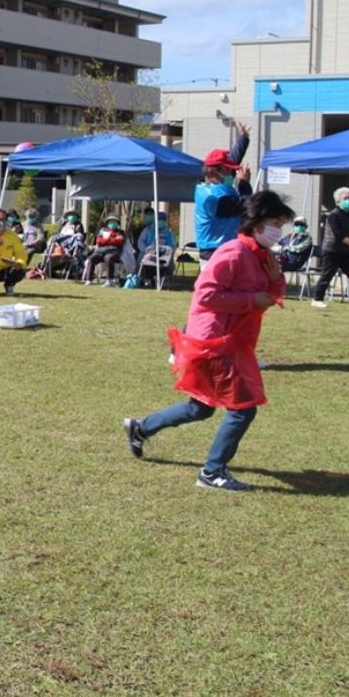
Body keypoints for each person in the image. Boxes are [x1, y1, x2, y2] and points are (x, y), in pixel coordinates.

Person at [122, 191, 294, 492]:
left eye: (280, 223)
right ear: (255, 224)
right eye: (274, 222)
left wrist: (275, 280)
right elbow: (206, 295)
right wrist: (251, 299)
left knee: (200, 407)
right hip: (214, 341)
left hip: (233, 340)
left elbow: (274, 292)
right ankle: (212, 472)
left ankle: (141, 427)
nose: (278, 230)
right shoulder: (234, 252)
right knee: (243, 408)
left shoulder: (261, 255)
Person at [193, 149, 252, 259]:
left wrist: (243, 138)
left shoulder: (218, 188)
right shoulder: (212, 196)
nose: (231, 174)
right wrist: (244, 184)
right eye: (228, 170)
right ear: (214, 171)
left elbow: (235, 157)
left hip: (223, 247)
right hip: (214, 250)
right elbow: (245, 207)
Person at [136, 209, 177, 287]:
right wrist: (145, 250)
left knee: (167, 263)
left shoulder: (168, 233)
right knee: (144, 260)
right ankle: (145, 279)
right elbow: (140, 241)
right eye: (159, 220)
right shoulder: (147, 230)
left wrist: (170, 251)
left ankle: (162, 280)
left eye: (163, 220)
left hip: (164, 254)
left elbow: (173, 244)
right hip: (149, 252)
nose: (161, 222)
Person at [82, 217, 128, 286]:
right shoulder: (102, 230)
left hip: (113, 251)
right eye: (110, 222)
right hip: (100, 251)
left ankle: (109, 280)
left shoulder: (120, 232)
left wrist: (106, 240)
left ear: (117, 223)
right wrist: (112, 239)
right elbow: (99, 241)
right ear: (107, 223)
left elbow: (120, 241)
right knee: (92, 258)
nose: (112, 223)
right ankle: (89, 280)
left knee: (108, 258)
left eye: (114, 222)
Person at [41, 213, 85, 279]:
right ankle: (44, 271)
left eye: (73, 215)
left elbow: (80, 237)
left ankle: (47, 271)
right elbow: (57, 236)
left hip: (68, 248)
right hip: (57, 246)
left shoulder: (78, 227)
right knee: (51, 247)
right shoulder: (63, 225)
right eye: (70, 215)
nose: (71, 217)